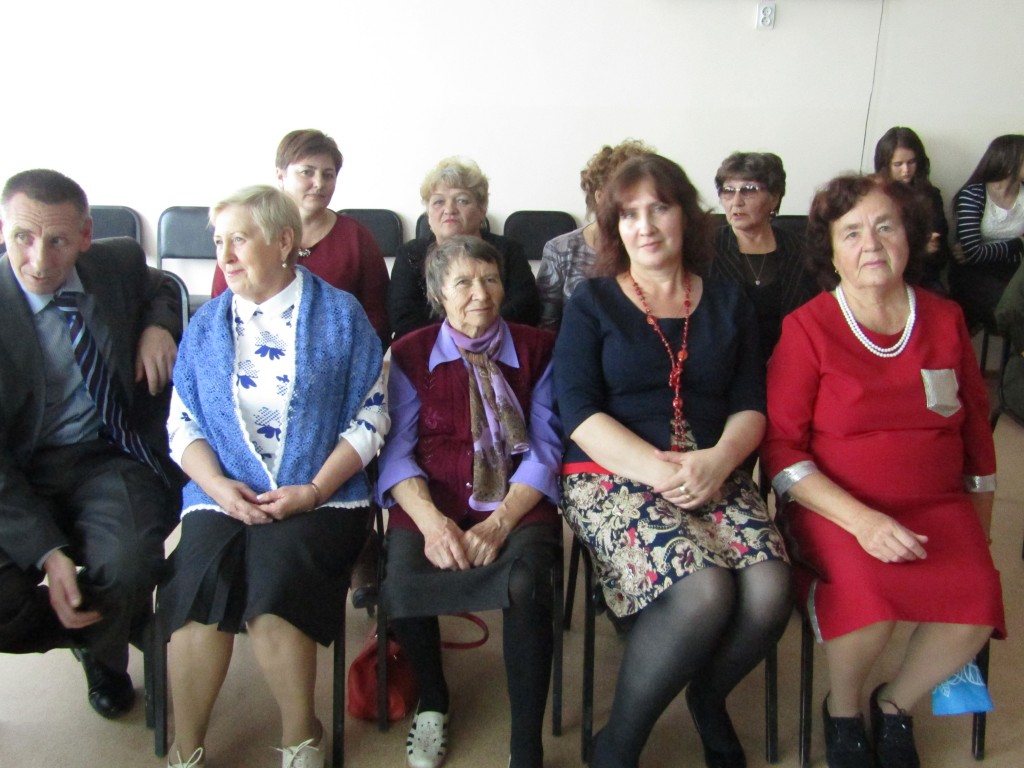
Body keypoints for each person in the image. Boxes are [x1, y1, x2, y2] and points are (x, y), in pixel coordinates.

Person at [555, 154, 791, 768]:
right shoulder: (592, 302)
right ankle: (617, 745)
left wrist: (717, 462)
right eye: (629, 214)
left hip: (714, 466)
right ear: (614, 226)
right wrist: (662, 472)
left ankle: (707, 696)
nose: (645, 225)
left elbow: (751, 403)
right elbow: (576, 411)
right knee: (703, 590)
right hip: (611, 474)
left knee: (769, 589)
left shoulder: (729, 300)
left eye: (659, 207)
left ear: (686, 214)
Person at [761, 174, 1004, 768]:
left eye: (885, 226)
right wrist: (862, 521)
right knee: (868, 599)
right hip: (835, 506)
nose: (870, 243)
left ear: (910, 237)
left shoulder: (945, 319)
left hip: (938, 503)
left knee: (975, 603)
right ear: (832, 252)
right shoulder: (808, 328)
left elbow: (976, 434)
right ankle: (843, 710)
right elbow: (783, 450)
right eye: (851, 233)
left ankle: (894, 703)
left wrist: (981, 529)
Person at [160, 186, 388, 768]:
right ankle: (186, 748)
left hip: (323, 495)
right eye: (219, 241)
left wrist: (312, 490)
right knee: (198, 592)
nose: (224, 255)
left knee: (273, 593)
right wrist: (217, 487)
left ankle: (300, 735)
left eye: (239, 239)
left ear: (284, 241)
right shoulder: (206, 324)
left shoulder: (341, 315)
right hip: (221, 493)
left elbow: (371, 417)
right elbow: (182, 423)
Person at [0, 169, 181, 720]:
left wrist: (158, 326)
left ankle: (105, 658)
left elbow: (162, 288)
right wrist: (46, 551)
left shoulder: (117, 261)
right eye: (22, 238)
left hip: (107, 455)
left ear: (84, 236)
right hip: (15, 471)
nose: (38, 260)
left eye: (57, 240)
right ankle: (104, 629)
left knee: (129, 565)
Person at [378, 235, 560, 768]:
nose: (480, 293)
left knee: (527, 584)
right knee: (403, 580)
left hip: (516, 496)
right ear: (438, 294)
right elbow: (396, 452)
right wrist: (433, 524)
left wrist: (500, 523)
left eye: (490, 279)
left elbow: (545, 448)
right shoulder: (410, 355)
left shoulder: (537, 349)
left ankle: (525, 742)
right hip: (431, 495)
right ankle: (434, 700)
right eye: (463, 282)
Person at [210, 129, 391, 349]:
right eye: (307, 172)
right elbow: (220, 308)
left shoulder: (356, 237)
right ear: (281, 176)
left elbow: (378, 317)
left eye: (328, 175)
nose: (319, 183)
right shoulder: (247, 237)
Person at [388, 156, 540, 340]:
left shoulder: (508, 251)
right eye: (438, 202)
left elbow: (527, 309)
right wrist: (456, 339)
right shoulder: (409, 255)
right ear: (428, 213)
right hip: (427, 349)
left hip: (500, 345)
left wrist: (477, 333)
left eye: (462, 200)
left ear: (482, 209)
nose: (449, 209)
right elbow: (403, 320)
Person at [709, 151, 817, 363]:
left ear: (774, 198)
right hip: (727, 364)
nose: (736, 202)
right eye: (728, 191)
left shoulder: (802, 250)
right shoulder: (705, 249)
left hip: (792, 360)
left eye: (749, 190)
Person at [537, 139, 654, 330]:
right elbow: (547, 326)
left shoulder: (649, 246)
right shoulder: (561, 250)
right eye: (629, 193)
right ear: (600, 197)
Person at [948, 134, 1024, 328]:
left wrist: (984, 251)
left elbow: (974, 252)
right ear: (1009, 163)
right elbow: (973, 253)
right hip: (975, 275)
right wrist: (1019, 243)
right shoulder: (973, 194)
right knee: (1012, 308)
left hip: (1014, 270)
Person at [873, 126, 951, 293]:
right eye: (898, 164)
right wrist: (918, 249)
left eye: (911, 162)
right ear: (885, 165)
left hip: (923, 275)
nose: (906, 170)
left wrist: (932, 248)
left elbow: (942, 252)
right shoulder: (874, 197)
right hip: (883, 273)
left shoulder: (931, 196)